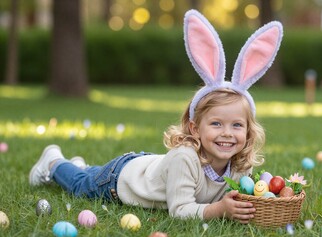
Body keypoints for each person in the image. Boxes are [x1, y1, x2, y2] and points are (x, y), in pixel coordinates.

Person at [29, 10, 283, 223]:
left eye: (237, 125)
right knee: (82, 185)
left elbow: (246, 195)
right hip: (120, 181)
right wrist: (219, 210)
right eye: (216, 123)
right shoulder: (185, 159)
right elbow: (180, 210)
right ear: (195, 129)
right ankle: (53, 161)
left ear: (248, 131)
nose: (227, 133)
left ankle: (79, 165)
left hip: (149, 169)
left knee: (87, 173)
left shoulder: (240, 164)